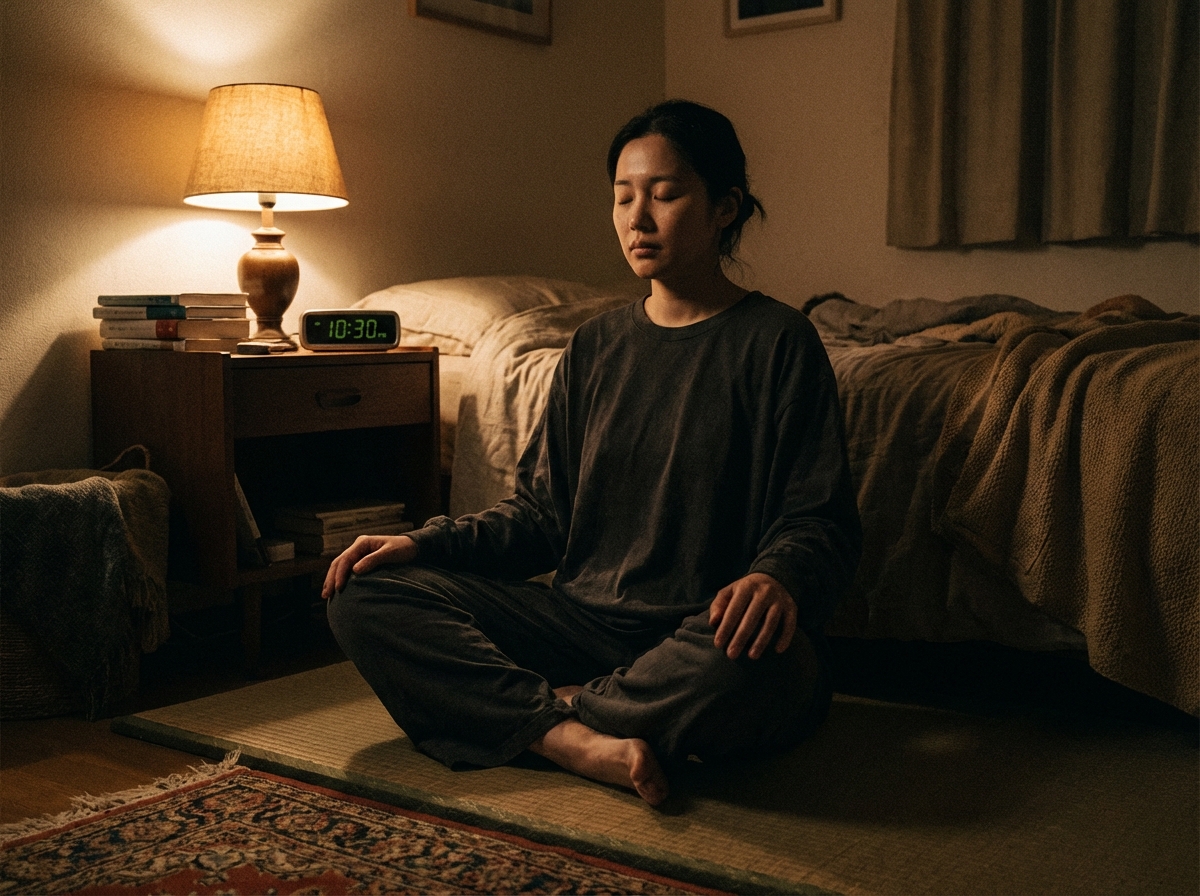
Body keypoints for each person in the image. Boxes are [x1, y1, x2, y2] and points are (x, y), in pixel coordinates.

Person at [323, 99, 861, 806]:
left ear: (725, 207)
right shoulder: (592, 347)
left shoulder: (777, 340)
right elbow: (542, 518)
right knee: (361, 591)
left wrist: (776, 579)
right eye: (623, 197)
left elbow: (817, 516)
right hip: (579, 625)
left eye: (665, 195)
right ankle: (576, 738)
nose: (638, 219)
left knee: (772, 665)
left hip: (704, 635)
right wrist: (422, 544)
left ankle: (541, 716)